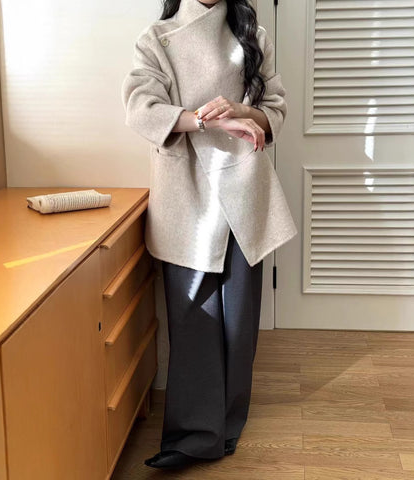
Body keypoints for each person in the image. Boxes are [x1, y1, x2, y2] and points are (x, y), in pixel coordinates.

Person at [121, 0, 297, 470]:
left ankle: (228, 427)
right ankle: (193, 437)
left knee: (239, 321)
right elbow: (140, 108)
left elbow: (276, 108)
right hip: (187, 192)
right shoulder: (157, 39)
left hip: (244, 187)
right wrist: (203, 119)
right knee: (192, 316)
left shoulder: (252, 33)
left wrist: (242, 110)